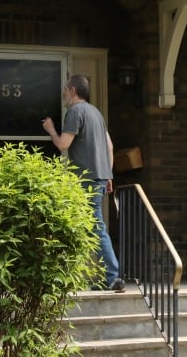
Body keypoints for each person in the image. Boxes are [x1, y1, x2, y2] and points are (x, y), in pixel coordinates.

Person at [42, 75, 124, 292]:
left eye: (65, 90)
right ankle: (97, 277)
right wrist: (108, 175)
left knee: (94, 227)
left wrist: (50, 128)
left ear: (72, 90)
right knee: (87, 226)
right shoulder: (96, 113)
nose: (63, 94)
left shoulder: (75, 112)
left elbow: (62, 144)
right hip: (98, 178)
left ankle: (112, 276)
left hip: (85, 180)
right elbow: (110, 146)